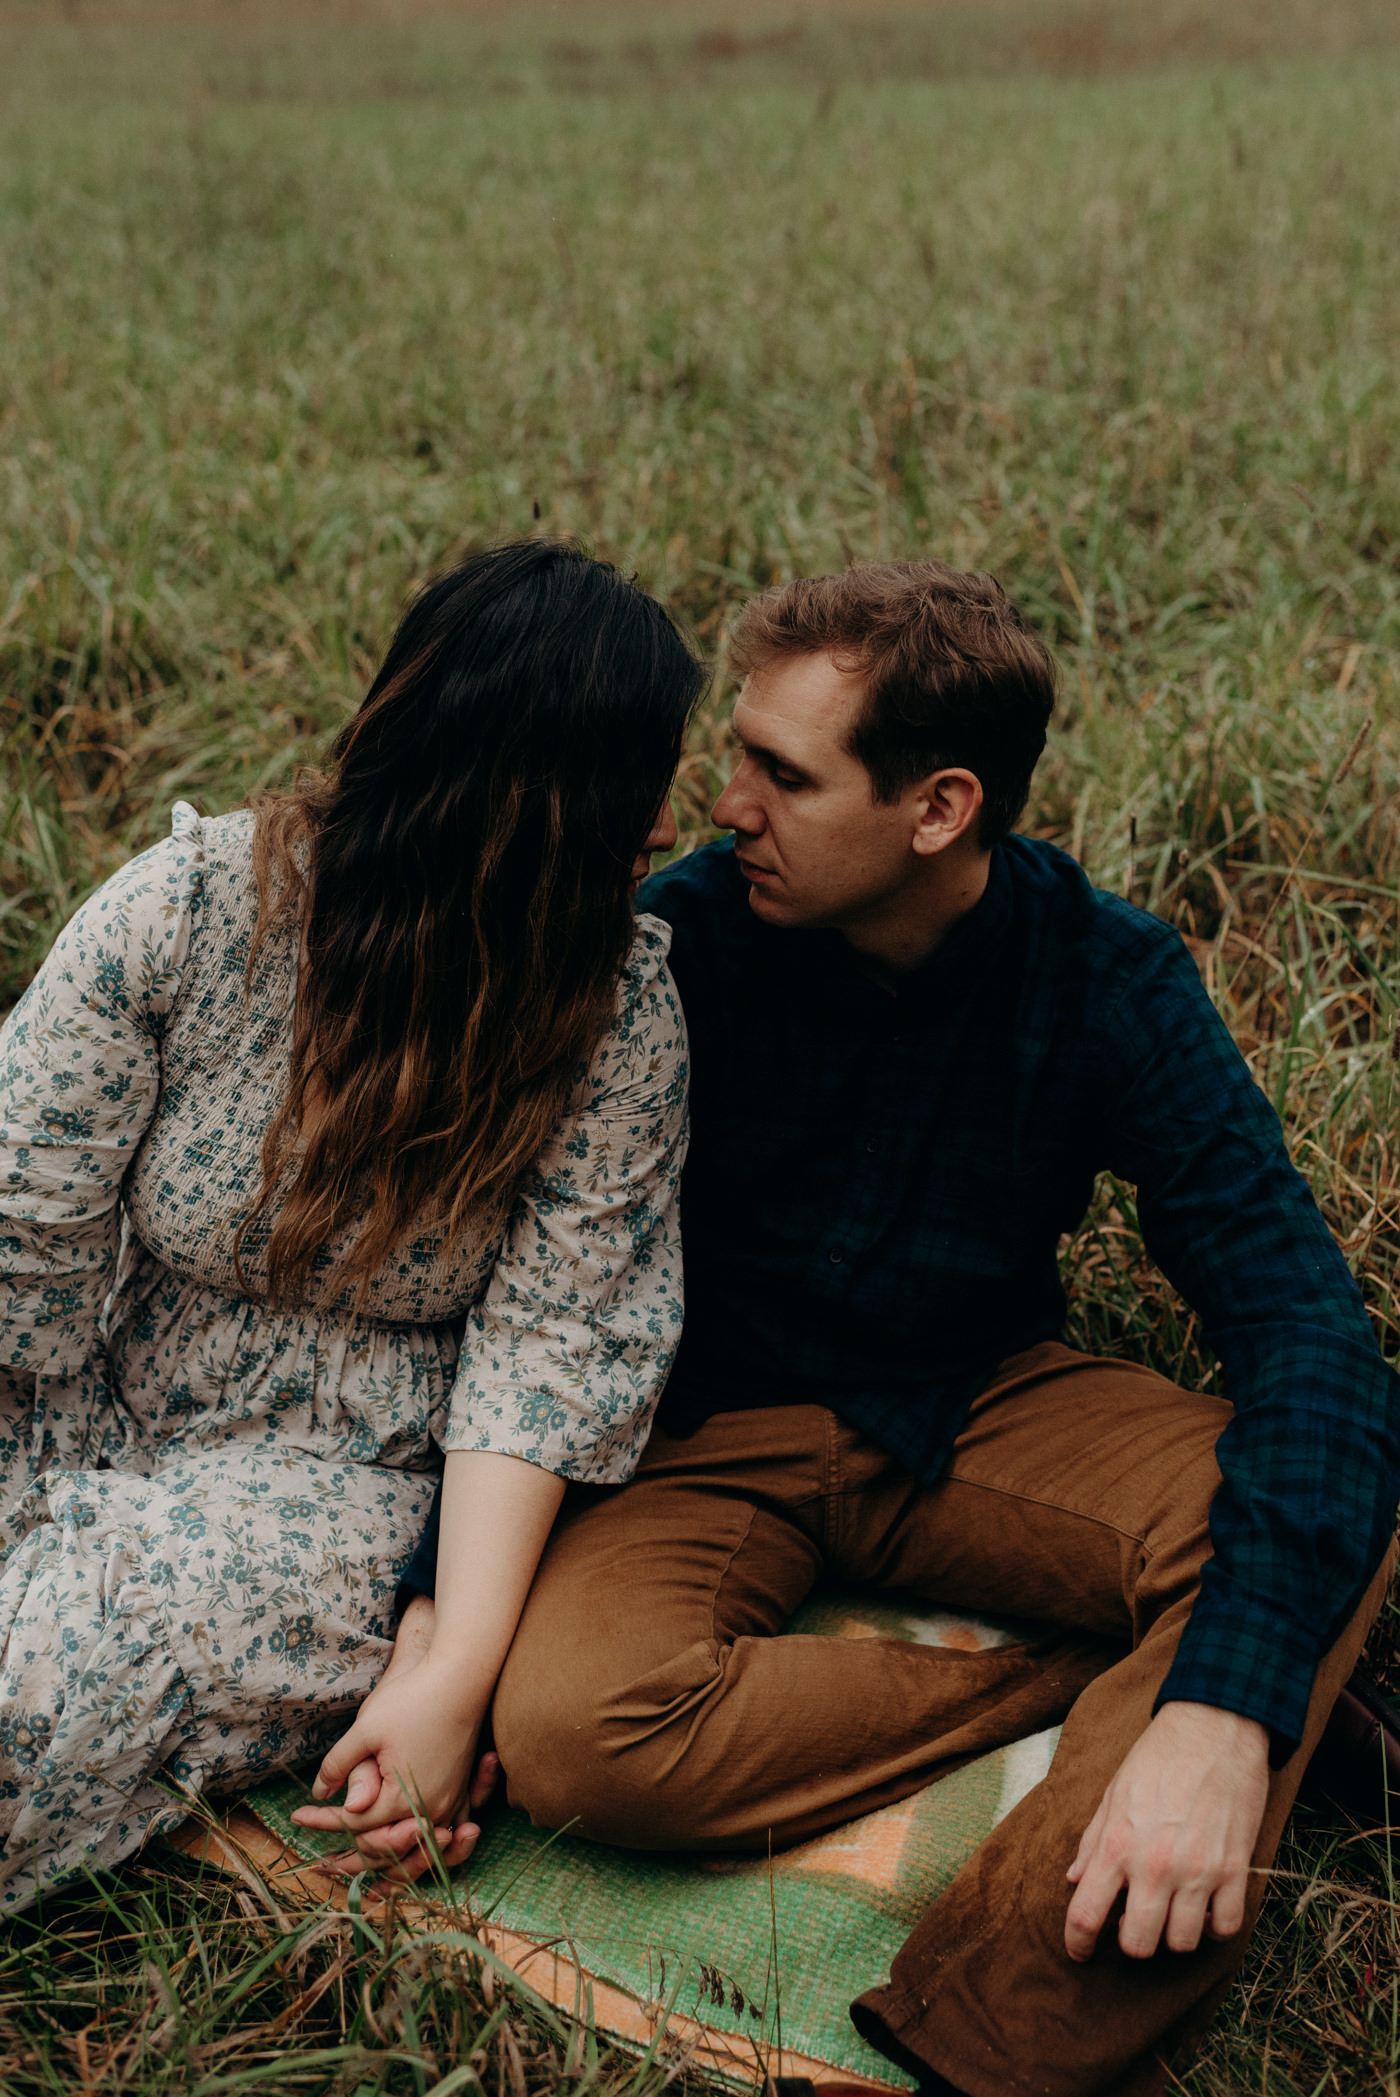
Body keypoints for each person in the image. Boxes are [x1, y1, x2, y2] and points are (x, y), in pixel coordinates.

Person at [304, 560, 1400, 2097]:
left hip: (981, 1403)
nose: (723, 802)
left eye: (780, 772)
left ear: (939, 807)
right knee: (572, 1736)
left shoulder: (1111, 978)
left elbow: (1309, 1335)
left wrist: (1222, 1713)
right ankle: (1078, 1666)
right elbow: (519, 1284)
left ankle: (999, 2028)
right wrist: (434, 1627)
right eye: (739, 752)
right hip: (703, 1429)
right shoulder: (673, 944)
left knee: (1318, 1492)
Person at [0, 538, 705, 1913]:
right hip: (73, 1368)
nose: (668, 828)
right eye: (643, 782)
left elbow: (550, 1362)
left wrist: (454, 1667)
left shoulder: (614, 1019)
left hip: (342, 1464)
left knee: (46, 1676)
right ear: (536, 804)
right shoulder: (188, 911)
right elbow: (20, 1224)